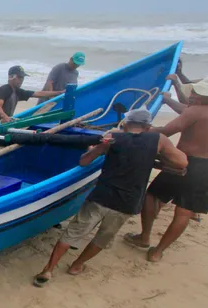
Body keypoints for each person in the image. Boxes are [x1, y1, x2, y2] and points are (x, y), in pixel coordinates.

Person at [33, 109, 187, 286]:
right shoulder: (158, 139)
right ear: (148, 126)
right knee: (103, 238)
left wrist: (92, 149)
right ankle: (77, 265)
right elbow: (182, 162)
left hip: (101, 196)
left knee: (73, 232)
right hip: (127, 202)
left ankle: (48, 270)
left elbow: (84, 161)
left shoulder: (113, 137)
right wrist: (156, 157)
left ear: (126, 123)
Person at [126, 76, 208, 261]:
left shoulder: (195, 111)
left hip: (186, 162)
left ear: (206, 97)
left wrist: (141, 129)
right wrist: (167, 99)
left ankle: (144, 236)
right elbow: (187, 111)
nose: (194, 95)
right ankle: (158, 252)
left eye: (197, 93)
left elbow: (167, 130)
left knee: (152, 196)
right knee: (185, 210)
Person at [0, 65, 64, 124]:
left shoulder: (18, 92)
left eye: (22, 77)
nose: (21, 80)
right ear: (11, 77)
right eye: (19, 77)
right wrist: (5, 117)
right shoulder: (4, 89)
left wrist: (59, 93)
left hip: (4, 124)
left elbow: (38, 93)